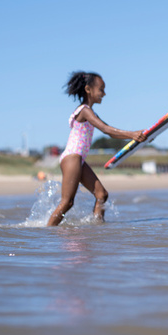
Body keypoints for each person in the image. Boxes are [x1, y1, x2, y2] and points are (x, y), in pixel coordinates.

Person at [47, 71, 145, 226]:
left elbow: (111, 133)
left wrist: (134, 137)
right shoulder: (85, 110)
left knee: (102, 194)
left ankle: (96, 227)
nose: (104, 94)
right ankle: (47, 232)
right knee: (67, 202)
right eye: (101, 89)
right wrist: (132, 134)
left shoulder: (89, 112)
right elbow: (106, 130)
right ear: (88, 89)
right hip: (72, 157)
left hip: (78, 159)